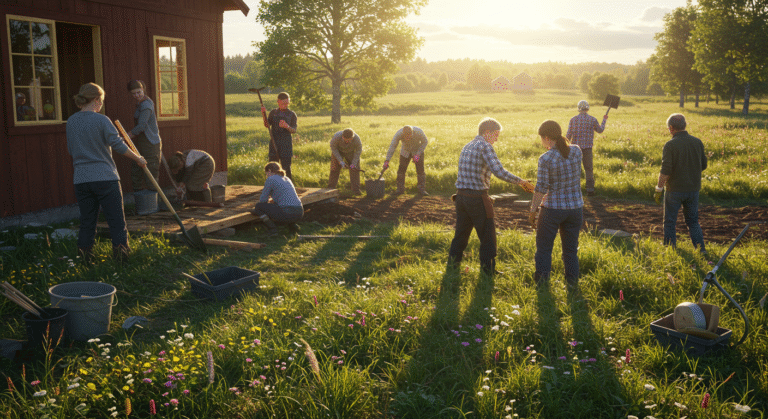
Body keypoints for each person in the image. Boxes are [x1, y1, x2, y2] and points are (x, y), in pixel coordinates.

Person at [66, 83, 147, 264]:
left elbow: (72, 150)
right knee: (116, 222)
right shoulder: (102, 120)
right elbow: (119, 145)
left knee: (87, 222)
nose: (101, 104)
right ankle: (122, 262)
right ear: (96, 99)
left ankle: (85, 261)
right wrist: (138, 158)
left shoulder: (71, 121)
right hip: (105, 178)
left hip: (81, 179)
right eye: (101, 100)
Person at [448, 117, 535, 277]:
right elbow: (499, 171)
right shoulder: (485, 146)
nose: (496, 139)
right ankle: (488, 272)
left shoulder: (467, 146)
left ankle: (452, 268)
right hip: (477, 198)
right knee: (488, 235)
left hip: (460, 197)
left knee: (460, 235)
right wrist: (521, 182)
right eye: (495, 135)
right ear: (487, 132)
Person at [529, 120, 584, 289]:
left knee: (544, 249)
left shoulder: (545, 158)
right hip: (575, 208)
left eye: (542, 139)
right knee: (570, 250)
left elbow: (541, 187)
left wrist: (533, 210)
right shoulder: (576, 151)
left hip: (553, 209)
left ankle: (543, 285)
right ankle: (573, 284)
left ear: (546, 138)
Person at [654, 113, 707, 253]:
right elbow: (704, 165)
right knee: (693, 221)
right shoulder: (697, 142)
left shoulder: (670, 145)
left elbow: (665, 170)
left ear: (671, 128)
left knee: (670, 222)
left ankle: (670, 250)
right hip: (693, 190)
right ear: (685, 125)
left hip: (674, 190)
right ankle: (701, 250)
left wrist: (659, 189)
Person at [566, 100, 607, 196]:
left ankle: (575, 190)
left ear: (578, 108)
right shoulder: (592, 119)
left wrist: (564, 146)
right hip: (588, 148)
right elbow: (600, 130)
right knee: (588, 169)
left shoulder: (573, 120)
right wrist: (604, 119)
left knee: (575, 169)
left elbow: (568, 136)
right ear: (587, 108)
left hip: (575, 148)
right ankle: (590, 190)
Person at [126, 80, 162, 193]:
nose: (136, 95)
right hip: (141, 142)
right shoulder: (140, 104)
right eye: (133, 93)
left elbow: (141, 126)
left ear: (143, 90)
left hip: (150, 143)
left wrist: (126, 137)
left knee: (151, 172)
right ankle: (141, 202)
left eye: (138, 92)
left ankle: (153, 204)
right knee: (136, 168)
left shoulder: (146, 104)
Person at [250, 162, 303, 237]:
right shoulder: (286, 178)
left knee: (259, 206)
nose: (266, 176)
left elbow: (263, 200)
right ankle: (293, 226)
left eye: (266, 173)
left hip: (287, 213)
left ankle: (273, 230)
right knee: (282, 207)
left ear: (269, 170)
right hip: (299, 212)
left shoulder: (270, 179)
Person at [261, 92, 298, 181]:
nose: (286, 105)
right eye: (283, 103)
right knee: (272, 167)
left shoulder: (292, 114)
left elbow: (294, 130)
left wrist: (287, 126)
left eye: (287, 103)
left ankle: (287, 186)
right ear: (278, 101)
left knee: (286, 167)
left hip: (286, 144)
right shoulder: (273, 113)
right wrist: (263, 114)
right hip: (274, 142)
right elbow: (267, 125)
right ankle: (272, 185)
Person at [383, 125, 429, 195]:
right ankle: (400, 189)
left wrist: (418, 154)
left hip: (417, 151)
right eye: (405, 137)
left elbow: (425, 142)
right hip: (405, 151)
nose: (407, 138)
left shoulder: (419, 132)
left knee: (420, 170)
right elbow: (392, 146)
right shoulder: (399, 134)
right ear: (403, 134)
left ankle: (421, 190)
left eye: (409, 136)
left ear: (412, 133)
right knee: (401, 170)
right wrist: (387, 160)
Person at [328, 128, 363, 195]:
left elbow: (358, 151)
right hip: (338, 151)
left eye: (349, 140)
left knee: (354, 169)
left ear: (352, 137)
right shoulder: (336, 137)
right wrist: (340, 161)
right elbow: (333, 148)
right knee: (334, 168)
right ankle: (331, 188)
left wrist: (353, 164)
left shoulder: (357, 139)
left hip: (351, 152)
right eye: (345, 140)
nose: (347, 141)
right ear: (342, 137)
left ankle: (356, 190)